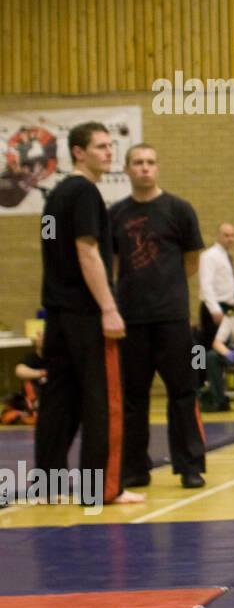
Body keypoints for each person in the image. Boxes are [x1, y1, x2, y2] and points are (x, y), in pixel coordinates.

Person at [35, 121, 143, 504]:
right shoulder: (84, 193)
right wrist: (109, 309)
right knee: (102, 400)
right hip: (84, 315)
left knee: (58, 401)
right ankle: (105, 489)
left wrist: (51, 313)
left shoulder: (56, 195)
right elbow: (87, 252)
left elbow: (51, 252)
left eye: (110, 146)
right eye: (100, 146)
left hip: (60, 314)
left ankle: (47, 487)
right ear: (78, 152)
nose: (109, 153)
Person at [109, 145, 207, 488]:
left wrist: (169, 290)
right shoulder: (115, 214)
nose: (145, 168)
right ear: (127, 169)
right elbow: (114, 264)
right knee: (133, 398)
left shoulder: (178, 209)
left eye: (151, 162)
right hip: (131, 320)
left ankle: (191, 466)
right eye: (138, 163)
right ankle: (136, 467)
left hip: (172, 317)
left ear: (158, 167)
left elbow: (192, 260)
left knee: (183, 393)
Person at [197, 223, 234, 357]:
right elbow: (206, 284)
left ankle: (220, 377)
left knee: (225, 346)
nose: (230, 239)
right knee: (209, 346)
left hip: (228, 307)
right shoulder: (209, 255)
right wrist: (215, 309)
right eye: (226, 235)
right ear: (218, 236)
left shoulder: (226, 256)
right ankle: (203, 377)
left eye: (232, 236)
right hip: (215, 309)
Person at [4, 327, 46, 426]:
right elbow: (19, 371)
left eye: (44, 336)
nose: (41, 339)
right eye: (39, 336)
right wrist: (42, 374)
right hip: (35, 400)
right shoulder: (31, 358)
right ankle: (34, 412)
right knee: (28, 382)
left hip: (55, 397)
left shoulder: (59, 358)